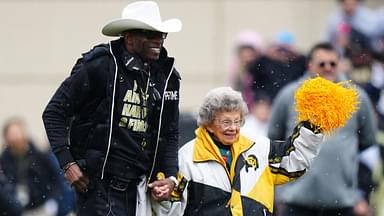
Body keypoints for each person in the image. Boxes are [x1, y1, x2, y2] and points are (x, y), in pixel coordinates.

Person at [42, 1, 182, 215]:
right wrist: (68, 164)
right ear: (129, 37)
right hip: (98, 188)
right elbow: (54, 112)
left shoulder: (168, 77)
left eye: (161, 34)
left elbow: (170, 132)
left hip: (140, 192)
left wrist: (171, 177)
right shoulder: (100, 65)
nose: (158, 40)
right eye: (150, 34)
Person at [153, 86, 327, 215]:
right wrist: (162, 198)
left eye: (237, 121)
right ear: (209, 124)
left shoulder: (258, 147)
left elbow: (295, 160)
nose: (233, 128)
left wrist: (313, 125)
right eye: (226, 122)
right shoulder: (187, 157)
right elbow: (171, 210)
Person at [268, 42, 376, 216]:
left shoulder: (356, 96)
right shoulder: (289, 95)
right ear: (310, 65)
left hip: (341, 201)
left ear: (340, 64)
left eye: (332, 63)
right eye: (322, 64)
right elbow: (274, 140)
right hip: (296, 200)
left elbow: (367, 140)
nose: (328, 68)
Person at [1, 118, 60, 216]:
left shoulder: (40, 157)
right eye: (12, 134)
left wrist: (53, 201)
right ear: (6, 138)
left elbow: (56, 181)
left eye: (18, 133)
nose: (16, 138)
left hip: (41, 208)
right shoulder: (3, 161)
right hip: (14, 211)